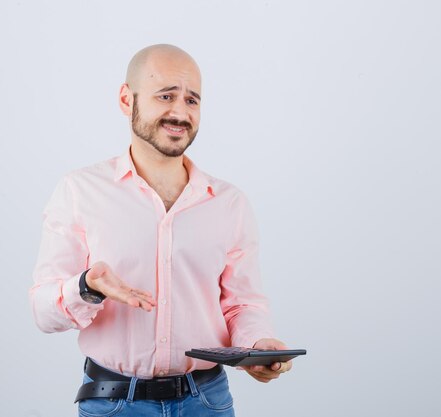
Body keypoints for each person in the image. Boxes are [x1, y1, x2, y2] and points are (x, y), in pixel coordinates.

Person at [30, 44, 292, 416]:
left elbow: (242, 304)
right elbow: (43, 312)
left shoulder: (229, 203)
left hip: (207, 401)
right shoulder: (79, 192)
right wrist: (87, 286)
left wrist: (257, 345)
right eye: (166, 95)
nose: (180, 112)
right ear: (126, 99)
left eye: (192, 100)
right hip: (115, 403)